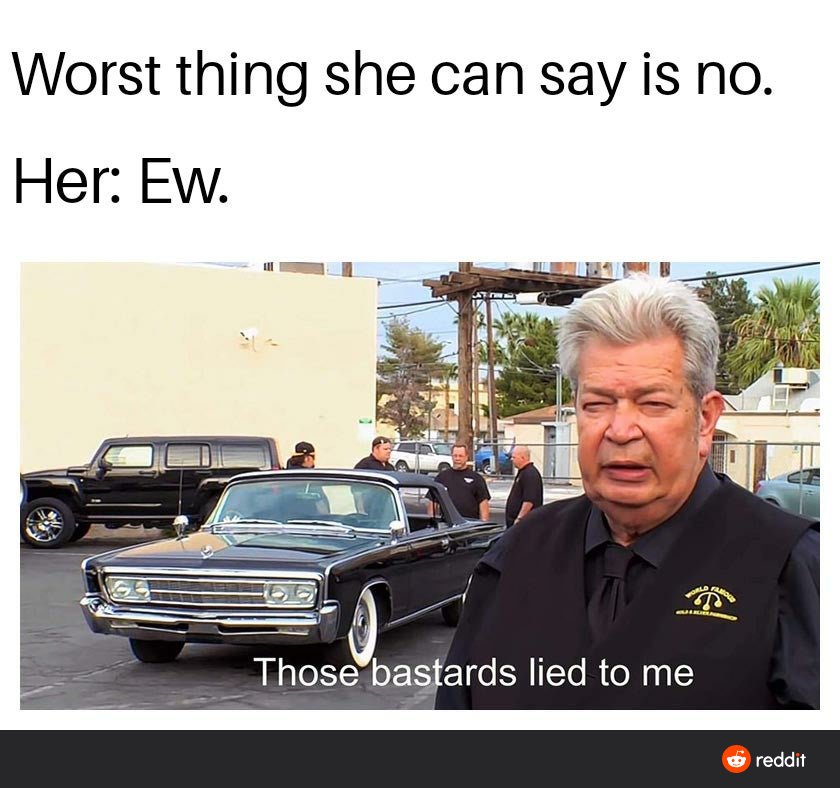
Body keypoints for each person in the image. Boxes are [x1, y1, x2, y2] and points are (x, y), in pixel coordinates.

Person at [436, 275, 819, 710]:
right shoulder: (515, 554)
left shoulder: (790, 568)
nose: (620, 430)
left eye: (653, 404)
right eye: (597, 404)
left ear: (706, 419)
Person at [428, 443, 491, 521]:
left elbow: (483, 504)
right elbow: (432, 502)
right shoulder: (441, 477)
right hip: (447, 523)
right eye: (455, 455)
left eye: (460, 456)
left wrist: (483, 524)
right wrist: (432, 522)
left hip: (469, 524)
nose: (457, 459)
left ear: (466, 457)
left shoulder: (477, 479)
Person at [504, 445, 543, 527]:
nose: (511, 459)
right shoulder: (522, 472)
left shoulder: (530, 474)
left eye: (514, 457)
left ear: (523, 458)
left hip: (526, 523)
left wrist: (520, 518)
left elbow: (529, 500)